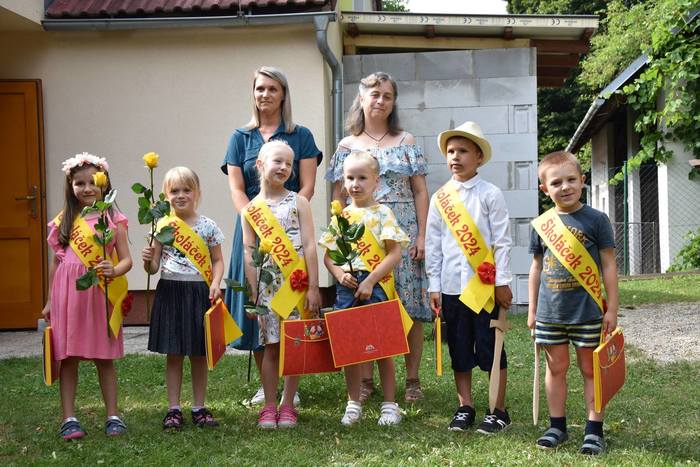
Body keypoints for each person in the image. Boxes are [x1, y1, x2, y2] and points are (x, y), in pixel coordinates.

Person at [326, 71, 430, 403]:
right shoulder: (346, 146)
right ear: (362, 98)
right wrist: (341, 242)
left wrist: (422, 235)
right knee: (365, 303)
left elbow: (420, 190)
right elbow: (338, 196)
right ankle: (366, 378)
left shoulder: (406, 141)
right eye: (375, 94)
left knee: (408, 306)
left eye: (387, 96)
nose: (381, 101)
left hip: (402, 233)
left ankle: (412, 379)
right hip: (360, 237)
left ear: (393, 102)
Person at [222, 66, 322, 405]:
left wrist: (287, 215)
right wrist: (255, 219)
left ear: (283, 95)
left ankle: (291, 385)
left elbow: (307, 186)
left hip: (290, 227)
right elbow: (236, 188)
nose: (265, 94)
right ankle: (266, 387)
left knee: (291, 309)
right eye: (259, 88)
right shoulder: (240, 137)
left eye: (272, 88)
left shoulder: (301, 135)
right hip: (253, 228)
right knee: (260, 301)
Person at [425, 121, 514, 434]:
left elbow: (502, 241)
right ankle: (465, 406)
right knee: (459, 349)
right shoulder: (440, 198)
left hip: (485, 288)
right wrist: (434, 285)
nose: (455, 156)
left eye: (463, 150)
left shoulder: (491, 194)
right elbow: (433, 245)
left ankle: (498, 410)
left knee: (491, 348)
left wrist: (502, 281)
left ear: (478, 157)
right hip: (451, 287)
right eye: (451, 151)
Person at [528, 151, 619, 455]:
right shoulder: (541, 224)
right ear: (545, 189)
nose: (565, 187)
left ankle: (594, 430)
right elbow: (536, 268)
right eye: (556, 183)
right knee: (556, 368)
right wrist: (532, 310)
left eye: (571, 180)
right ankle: (557, 426)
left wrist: (612, 308)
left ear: (582, 180)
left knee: (591, 370)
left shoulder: (597, 220)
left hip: (587, 312)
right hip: (550, 314)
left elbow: (609, 265)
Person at [42, 152, 133, 440]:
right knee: (67, 357)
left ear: (105, 184)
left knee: (103, 357)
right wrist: (49, 300)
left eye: (93, 182)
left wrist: (114, 270)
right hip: (67, 296)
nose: (87, 188)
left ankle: (113, 415)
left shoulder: (113, 219)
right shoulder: (64, 221)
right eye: (79, 183)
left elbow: (126, 260)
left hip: (99, 296)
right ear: (70, 187)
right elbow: (56, 264)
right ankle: (68, 418)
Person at [319, 150, 410, 426]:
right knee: (349, 346)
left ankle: (390, 405)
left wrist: (371, 280)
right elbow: (328, 256)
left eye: (362, 178)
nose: (355, 184)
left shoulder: (383, 213)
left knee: (383, 345)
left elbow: (394, 253)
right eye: (350, 178)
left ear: (376, 181)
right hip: (347, 286)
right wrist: (339, 274)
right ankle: (353, 403)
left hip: (376, 283)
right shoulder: (342, 216)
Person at [241, 140, 322, 429]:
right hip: (268, 289)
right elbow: (249, 251)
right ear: (260, 165)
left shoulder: (299, 202)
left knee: (294, 343)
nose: (284, 167)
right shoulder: (250, 210)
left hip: (296, 286)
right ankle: (269, 405)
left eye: (289, 163)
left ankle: (288, 404)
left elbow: (310, 245)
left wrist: (314, 287)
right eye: (278, 161)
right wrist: (253, 292)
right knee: (271, 346)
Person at [142, 167, 225, 430]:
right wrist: (147, 261)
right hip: (170, 291)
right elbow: (153, 267)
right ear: (166, 195)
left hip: (199, 291)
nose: (180, 195)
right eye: (174, 191)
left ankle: (199, 407)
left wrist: (216, 282)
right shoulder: (161, 226)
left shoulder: (208, 225)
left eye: (187, 190)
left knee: (199, 353)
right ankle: (173, 409)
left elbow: (217, 260)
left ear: (196, 192)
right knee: (174, 352)